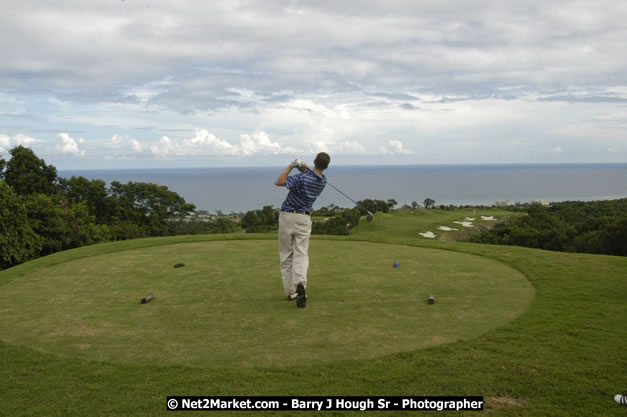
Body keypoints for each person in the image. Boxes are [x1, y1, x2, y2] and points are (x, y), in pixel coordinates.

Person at [274, 152, 330, 308]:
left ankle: (291, 292)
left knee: (286, 255)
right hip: (304, 219)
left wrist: (292, 165)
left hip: (287, 217)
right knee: (301, 254)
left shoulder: (301, 178)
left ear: (314, 161)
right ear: (326, 166)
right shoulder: (323, 181)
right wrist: (303, 167)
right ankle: (301, 285)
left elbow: (279, 182)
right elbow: (310, 174)